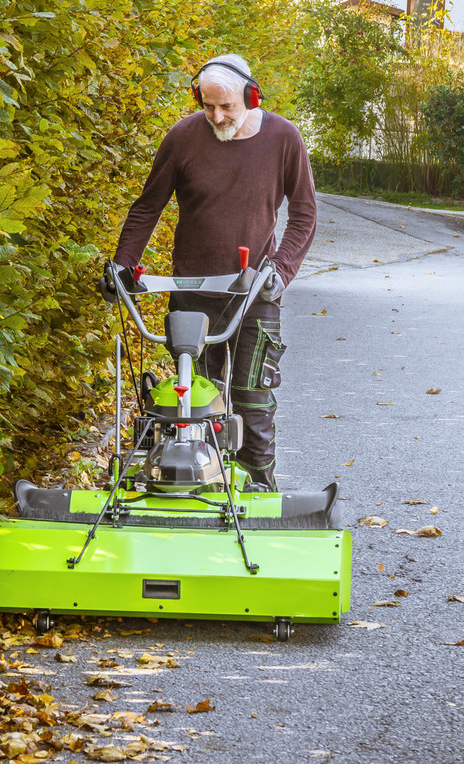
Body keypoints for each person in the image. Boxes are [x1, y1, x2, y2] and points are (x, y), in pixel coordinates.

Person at [110, 54, 317, 491]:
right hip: (192, 295)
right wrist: (122, 266)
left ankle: (260, 493)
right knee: (195, 406)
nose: (216, 116)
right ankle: (201, 496)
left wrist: (281, 269)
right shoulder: (183, 138)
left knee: (252, 402)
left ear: (251, 96)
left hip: (255, 291)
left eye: (226, 107)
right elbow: (147, 207)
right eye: (207, 106)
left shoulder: (283, 138)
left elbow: (304, 213)